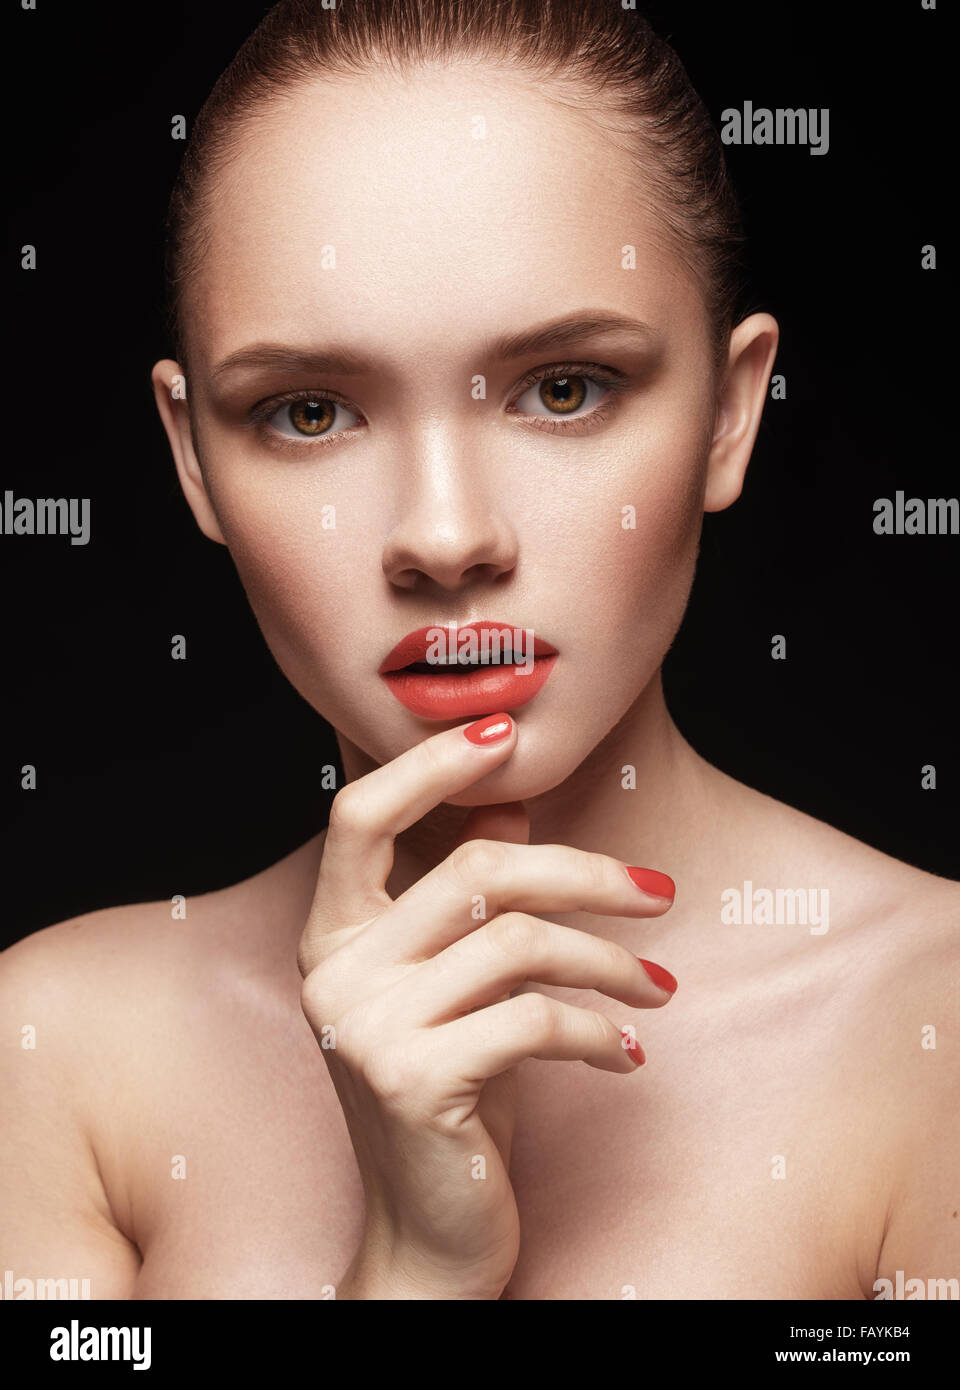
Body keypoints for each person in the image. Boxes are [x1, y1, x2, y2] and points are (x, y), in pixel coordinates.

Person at [2, 0, 956, 1301]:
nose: (446, 539)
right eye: (310, 411)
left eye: (563, 387)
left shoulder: (937, 1030)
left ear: (732, 413)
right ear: (193, 459)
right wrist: (412, 1270)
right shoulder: (49, 1057)